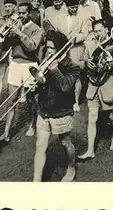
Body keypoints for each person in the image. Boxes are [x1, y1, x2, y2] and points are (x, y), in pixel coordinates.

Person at [33, 30, 79, 182]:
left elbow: (66, 87)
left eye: (52, 48)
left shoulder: (72, 66)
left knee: (65, 142)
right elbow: (42, 84)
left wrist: (54, 69)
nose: (49, 51)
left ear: (60, 49)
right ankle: (36, 181)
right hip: (44, 110)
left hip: (61, 111)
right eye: (48, 47)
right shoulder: (44, 61)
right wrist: (34, 87)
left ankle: (72, 166)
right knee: (40, 146)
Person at [78, 20, 113, 160]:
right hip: (94, 86)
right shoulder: (90, 44)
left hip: (108, 86)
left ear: (106, 30)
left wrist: (110, 64)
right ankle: (90, 150)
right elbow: (82, 64)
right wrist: (87, 63)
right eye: (95, 31)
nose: (98, 34)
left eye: (100, 30)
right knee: (92, 117)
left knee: (112, 116)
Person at [0, 2, 44, 141]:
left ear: (29, 13)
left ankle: (32, 125)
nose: (21, 15)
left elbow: (32, 47)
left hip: (30, 65)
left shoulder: (37, 29)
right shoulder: (15, 26)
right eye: (20, 12)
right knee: (11, 100)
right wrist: (5, 36)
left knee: (31, 100)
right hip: (15, 64)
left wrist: (19, 33)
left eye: (24, 13)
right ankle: (6, 132)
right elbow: (5, 46)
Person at [45, 0, 91, 112]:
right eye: (72, 7)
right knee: (62, 72)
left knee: (76, 74)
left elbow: (85, 34)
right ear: (66, 6)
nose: (74, 9)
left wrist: (75, 38)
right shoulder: (59, 17)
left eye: (76, 7)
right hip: (62, 48)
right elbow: (57, 31)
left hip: (76, 47)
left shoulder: (83, 17)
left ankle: (75, 101)